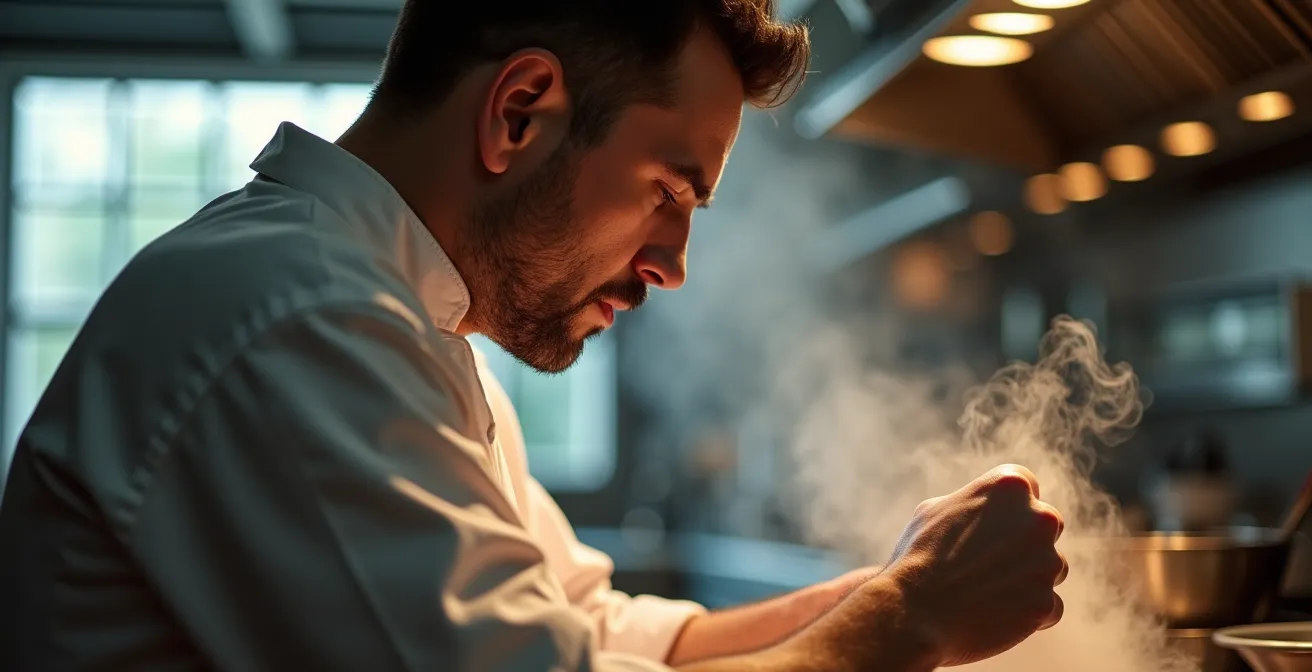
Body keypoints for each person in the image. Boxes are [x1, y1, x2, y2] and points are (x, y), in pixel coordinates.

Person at [0, 1, 1068, 670]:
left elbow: (596, 635)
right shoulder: (301, 318)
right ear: (520, 111)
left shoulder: (412, 330)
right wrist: (909, 618)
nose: (672, 263)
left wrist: (886, 585)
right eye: (666, 190)